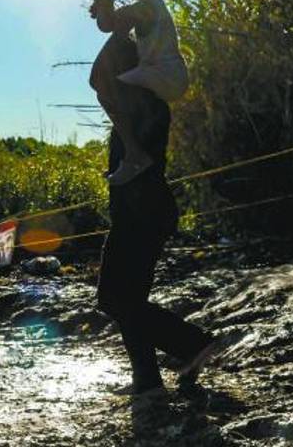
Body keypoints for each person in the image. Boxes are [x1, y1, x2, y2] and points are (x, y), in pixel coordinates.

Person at [94, 26, 223, 398]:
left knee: (118, 299)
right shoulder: (137, 103)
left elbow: (99, 79)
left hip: (143, 213)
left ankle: (191, 345)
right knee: (122, 298)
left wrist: (118, 28)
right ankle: (148, 379)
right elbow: (103, 81)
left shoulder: (141, 104)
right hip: (139, 212)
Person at [89, 0, 189, 186]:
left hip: (164, 75)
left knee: (106, 89)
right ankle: (133, 151)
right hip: (166, 75)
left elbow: (108, 25)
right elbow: (115, 27)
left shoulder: (146, 8)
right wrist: (105, 10)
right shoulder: (152, 8)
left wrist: (105, 8)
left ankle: (134, 154)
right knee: (105, 83)